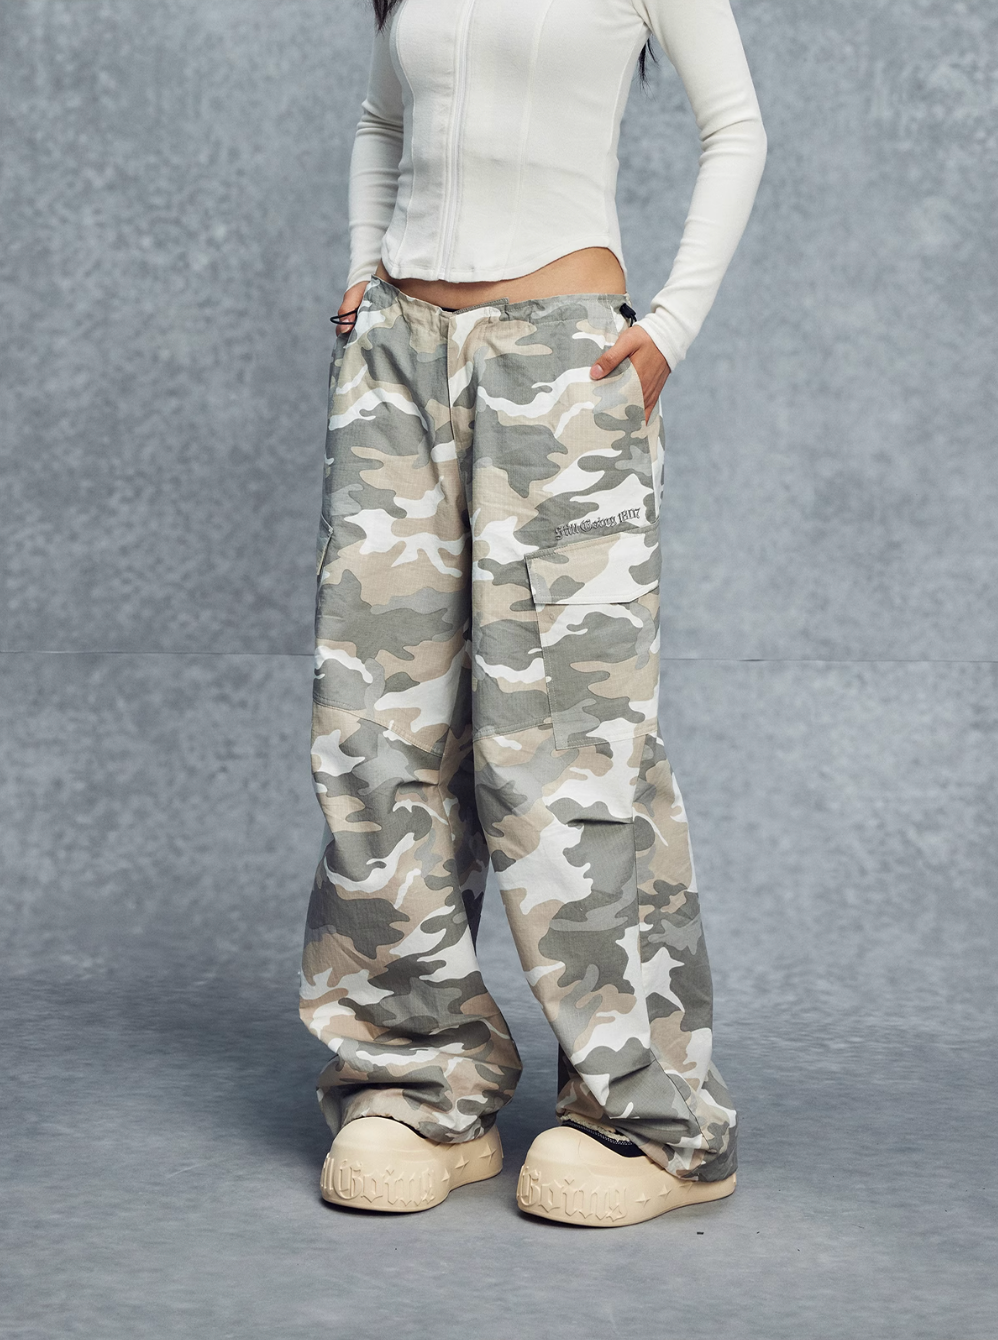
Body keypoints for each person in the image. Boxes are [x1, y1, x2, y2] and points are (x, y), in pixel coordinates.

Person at [299, 0, 766, 1228]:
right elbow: (380, 119)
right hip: (395, 364)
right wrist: (360, 273)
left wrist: (665, 331)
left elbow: (735, 129)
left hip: (562, 369)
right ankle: (416, 1086)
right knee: (375, 738)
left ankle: (649, 1118)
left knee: (567, 745)